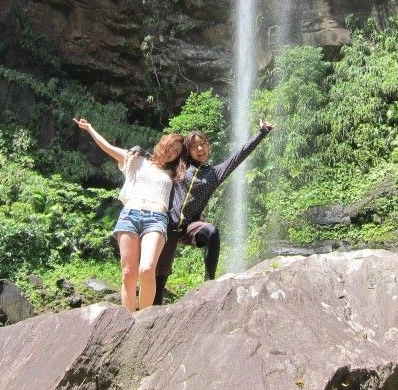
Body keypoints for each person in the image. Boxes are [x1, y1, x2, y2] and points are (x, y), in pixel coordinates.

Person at [153, 119, 275, 305]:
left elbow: (238, 156)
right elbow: (162, 157)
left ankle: (209, 280)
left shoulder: (215, 173)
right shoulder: (180, 166)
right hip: (167, 226)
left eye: (203, 144)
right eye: (194, 146)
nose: (200, 149)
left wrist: (262, 133)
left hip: (189, 227)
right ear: (189, 150)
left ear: (208, 146)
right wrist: (140, 152)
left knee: (211, 232)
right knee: (160, 278)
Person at [73, 118, 184, 312]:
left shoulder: (174, 173)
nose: (172, 152)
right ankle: (129, 319)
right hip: (130, 215)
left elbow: (195, 156)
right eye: (170, 146)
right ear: (162, 143)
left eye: (176, 151)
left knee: (147, 269)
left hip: (156, 219)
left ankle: (146, 318)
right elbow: (107, 147)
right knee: (128, 274)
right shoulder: (136, 159)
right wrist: (89, 128)